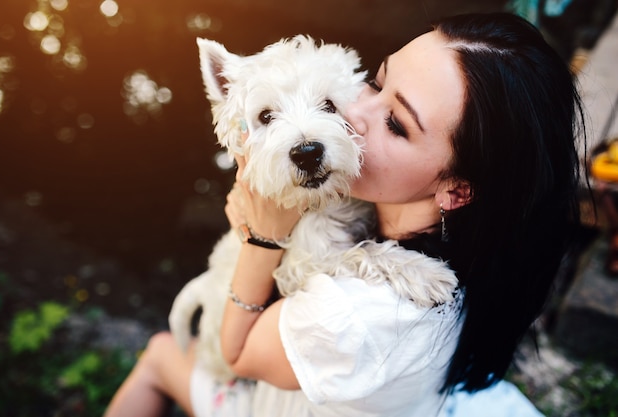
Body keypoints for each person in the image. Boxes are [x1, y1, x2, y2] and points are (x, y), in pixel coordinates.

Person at [104, 11, 585, 417]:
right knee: (164, 346)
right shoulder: (468, 242)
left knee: (161, 353)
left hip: (269, 396)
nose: (352, 115)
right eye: (375, 81)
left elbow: (237, 355)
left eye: (396, 123)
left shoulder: (356, 314)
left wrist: (261, 237)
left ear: (457, 189)